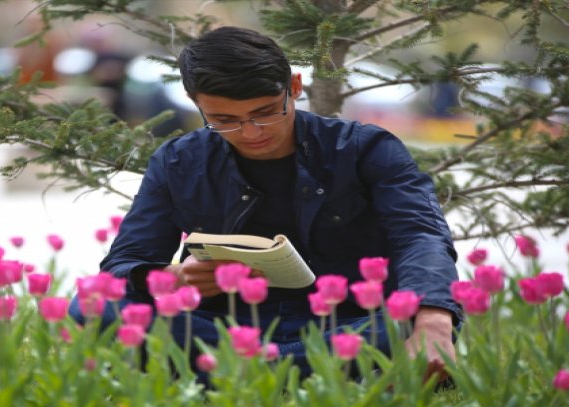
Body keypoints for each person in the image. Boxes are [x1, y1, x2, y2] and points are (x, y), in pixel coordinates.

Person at [68, 26, 461, 383]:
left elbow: (421, 236)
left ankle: (236, 374)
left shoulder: (366, 149)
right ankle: (310, 374)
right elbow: (124, 263)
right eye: (223, 119)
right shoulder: (178, 160)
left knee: (412, 321)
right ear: (195, 102)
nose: (251, 132)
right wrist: (172, 277)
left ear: (294, 86)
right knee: (94, 307)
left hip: (346, 322)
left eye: (265, 113)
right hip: (228, 326)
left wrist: (434, 321)